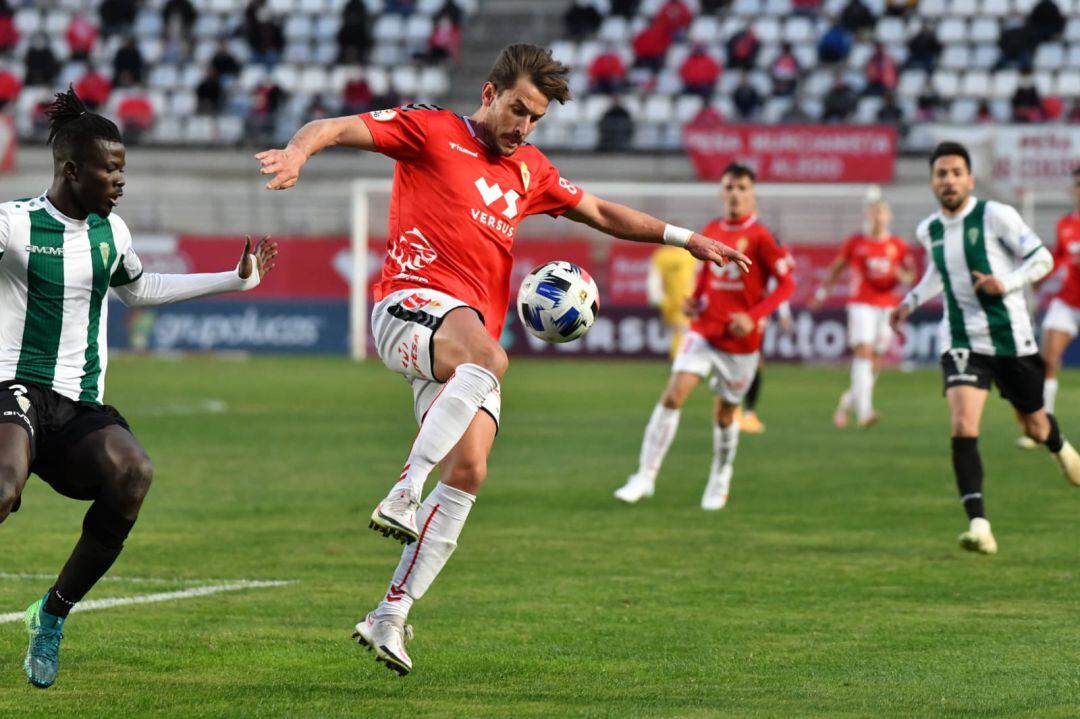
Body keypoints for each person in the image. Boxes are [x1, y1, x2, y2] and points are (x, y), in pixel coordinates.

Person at [256, 43, 751, 676]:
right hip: (411, 302)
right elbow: (334, 126)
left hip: (464, 348)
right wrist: (299, 151)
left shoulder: (530, 169)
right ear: (489, 94)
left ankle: (389, 615)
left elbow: (599, 211)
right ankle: (405, 490)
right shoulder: (429, 129)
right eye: (517, 110)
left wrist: (689, 240)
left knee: (470, 471)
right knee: (491, 357)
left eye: (536, 119)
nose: (523, 127)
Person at [0, 88, 278, 689]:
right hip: (14, 392)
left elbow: (140, 289)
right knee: (3, 485)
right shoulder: (14, 224)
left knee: (134, 473)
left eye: (122, 167)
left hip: (79, 406)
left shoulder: (111, 232)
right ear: (73, 169)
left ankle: (51, 615)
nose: (120, 179)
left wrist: (234, 279)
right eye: (111, 168)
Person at [889, 141, 1080, 555]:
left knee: (1035, 426)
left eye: (956, 172)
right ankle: (980, 525)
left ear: (970, 179)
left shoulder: (996, 215)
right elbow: (937, 275)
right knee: (962, 426)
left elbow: (1042, 259)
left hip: (1010, 338)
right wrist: (910, 302)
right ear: (932, 182)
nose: (949, 180)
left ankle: (1061, 448)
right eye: (941, 173)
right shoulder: (930, 229)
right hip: (961, 339)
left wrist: (1004, 283)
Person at [614, 163, 794, 510]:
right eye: (729, 187)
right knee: (673, 394)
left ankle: (720, 476)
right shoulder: (711, 229)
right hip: (705, 330)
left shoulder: (762, 237)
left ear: (752, 194)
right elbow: (708, 277)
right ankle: (644, 476)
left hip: (741, 343)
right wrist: (695, 301)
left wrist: (753, 317)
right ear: (720, 192)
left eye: (742, 188)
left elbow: (787, 284)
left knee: (726, 415)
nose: (735, 194)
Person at [810, 198, 915, 428]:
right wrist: (820, 294)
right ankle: (865, 412)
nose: (878, 216)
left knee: (875, 362)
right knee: (864, 352)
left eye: (882, 212)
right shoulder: (856, 242)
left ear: (889, 217)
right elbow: (836, 268)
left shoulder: (898, 245)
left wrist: (902, 277)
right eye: (874, 211)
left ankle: (847, 402)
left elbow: (911, 274)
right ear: (868, 215)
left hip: (887, 306)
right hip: (861, 304)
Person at [1017, 167, 1080, 447]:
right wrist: (1039, 277)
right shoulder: (1065, 224)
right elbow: (1059, 256)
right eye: (1077, 185)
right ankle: (1044, 424)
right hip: (1067, 301)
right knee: (1049, 360)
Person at [647, 246, 699, 358]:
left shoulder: (688, 253)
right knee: (679, 332)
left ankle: (680, 362)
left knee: (681, 331)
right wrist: (657, 299)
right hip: (674, 303)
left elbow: (698, 275)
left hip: (686, 302)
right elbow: (655, 278)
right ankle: (680, 362)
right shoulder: (662, 255)